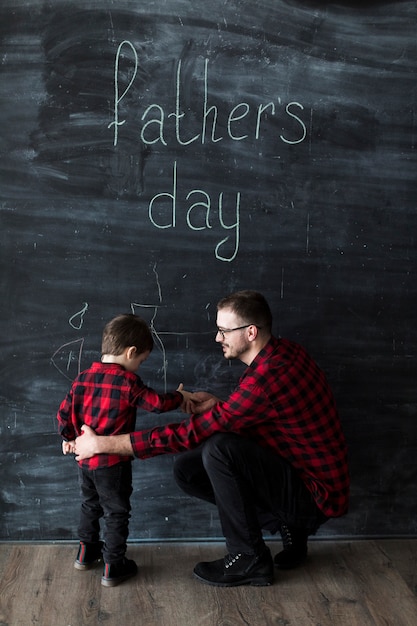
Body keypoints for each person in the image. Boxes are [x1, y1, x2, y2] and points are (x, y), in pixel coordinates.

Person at [74, 291, 349, 587]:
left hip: (315, 496)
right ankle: (284, 522)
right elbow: (271, 422)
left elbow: (189, 434)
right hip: (298, 476)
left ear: (251, 332)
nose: (218, 338)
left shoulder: (264, 380)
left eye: (223, 330)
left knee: (219, 450)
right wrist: (222, 407)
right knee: (188, 470)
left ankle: (249, 557)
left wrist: (102, 444)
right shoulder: (284, 353)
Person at [57, 313, 194, 587]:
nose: (140, 366)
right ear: (131, 352)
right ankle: (113, 565)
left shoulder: (82, 378)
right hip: (113, 466)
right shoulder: (128, 382)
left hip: (84, 462)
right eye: (141, 360)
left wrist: (69, 437)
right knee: (116, 512)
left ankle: (85, 552)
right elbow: (155, 403)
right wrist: (180, 397)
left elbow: (63, 413)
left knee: (89, 505)